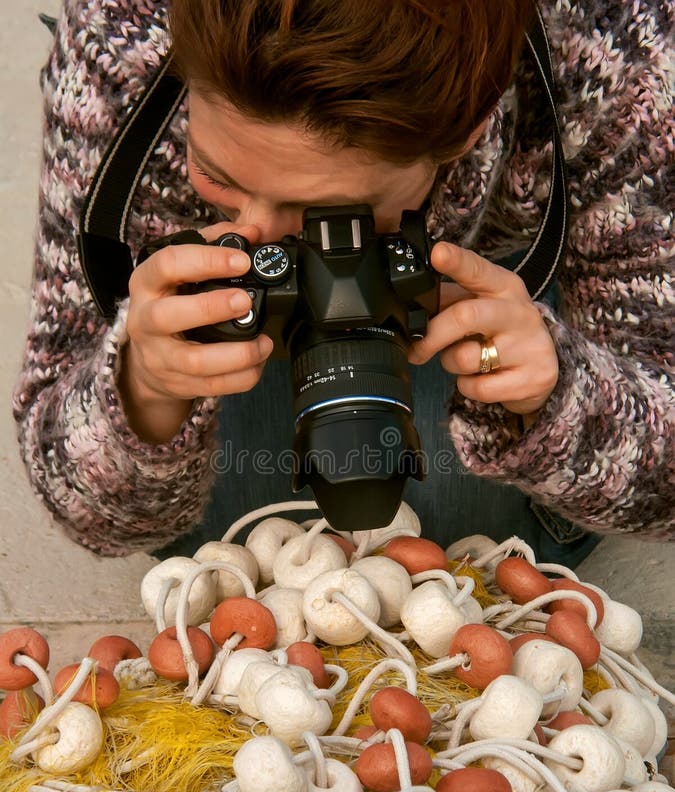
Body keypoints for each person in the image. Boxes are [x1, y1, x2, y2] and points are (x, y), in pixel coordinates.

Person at [13, 0, 674, 564]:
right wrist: (141, 390)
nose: (257, 233)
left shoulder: (611, 45)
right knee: (244, 536)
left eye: (318, 212)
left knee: (462, 532)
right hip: (231, 333)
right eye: (218, 176)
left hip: (490, 287)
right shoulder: (119, 38)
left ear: (468, 132)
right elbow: (81, 500)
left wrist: (559, 395)